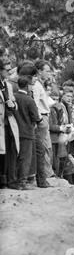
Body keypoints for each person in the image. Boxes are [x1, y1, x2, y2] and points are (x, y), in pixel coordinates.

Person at [11, 76, 42, 190]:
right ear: (28, 86)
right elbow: (36, 117)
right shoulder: (29, 99)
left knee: (15, 157)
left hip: (13, 131)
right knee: (25, 157)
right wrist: (40, 120)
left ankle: (12, 180)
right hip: (27, 132)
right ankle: (22, 182)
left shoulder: (13, 96)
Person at [33, 60, 56, 187]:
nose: (48, 73)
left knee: (47, 147)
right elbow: (35, 104)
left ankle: (47, 174)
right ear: (39, 71)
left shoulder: (40, 85)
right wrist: (39, 120)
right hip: (41, 117)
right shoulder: (36, 85)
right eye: (46, 70)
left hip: (44, 117)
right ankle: (45, 176)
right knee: (43, 148)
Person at [0, 58, 20, 189]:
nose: (9, 72)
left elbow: (13, 103)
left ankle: (8, 180)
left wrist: (13, 105)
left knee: (9, 152)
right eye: (7, 70)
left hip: (9, 123)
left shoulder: (7, 85)